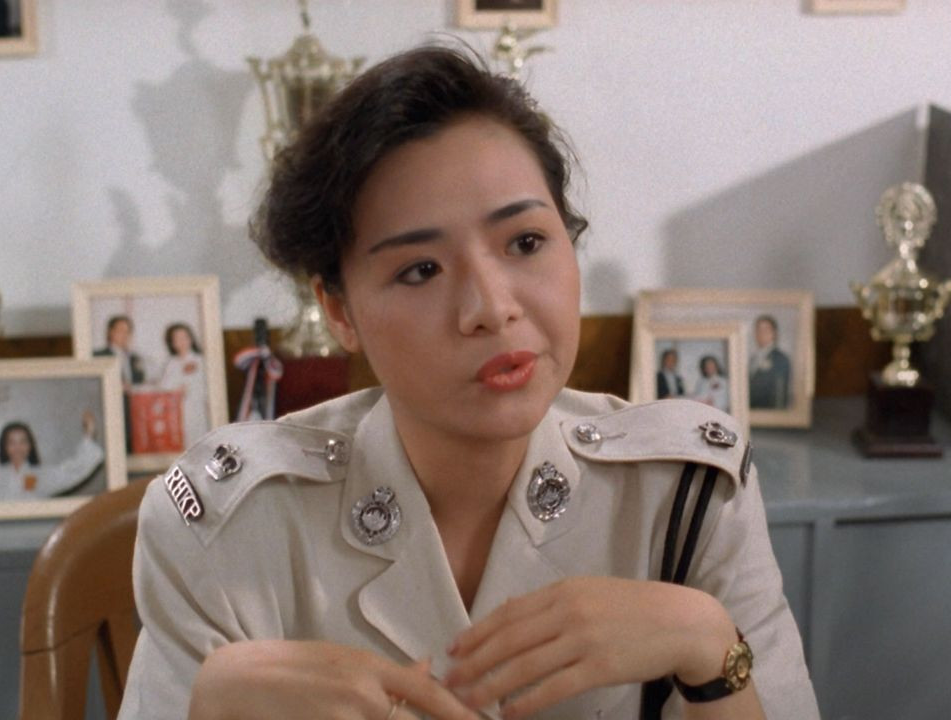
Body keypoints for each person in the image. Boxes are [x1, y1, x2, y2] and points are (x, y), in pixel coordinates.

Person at [120, 46, 817, 720]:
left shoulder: (686, 494)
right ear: (339, 310)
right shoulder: (231, 530)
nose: (492, 307)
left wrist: (708, 647)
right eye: (421, 270)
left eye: (526, 242)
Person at [0, 399, 104, 501]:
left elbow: (73, 471)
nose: (18, 447)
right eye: (12, 442)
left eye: (23, 441)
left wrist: (89, 433)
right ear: (4, 447)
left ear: (30, 446)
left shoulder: (41, 477)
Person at [95, 314, 146, 451]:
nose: (125, 335)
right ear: (110, 332)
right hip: (110, 411)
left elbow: (141, 382)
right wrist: (116, 387)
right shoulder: (98, 356)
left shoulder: (135, 358)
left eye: (128, 332)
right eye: (120, 330)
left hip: (134, 413)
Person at [158, 322, 209, 447]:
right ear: (172, 343)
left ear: (191, 339)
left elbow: (206, 387)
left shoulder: (201, 360)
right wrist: (176, 389)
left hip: (197, 409)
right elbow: (164, 387)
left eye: (185, 337)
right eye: (177, 338)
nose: (182, 342)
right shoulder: (171, 363)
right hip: (176, 411)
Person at [748, 316, 791, 410]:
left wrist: (776, 417)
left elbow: (780, 396)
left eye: (765, 329)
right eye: (758, 330)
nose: (761, 333)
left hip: (768, 414)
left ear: (774, 333)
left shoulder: (780, 358)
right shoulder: (753, 358)